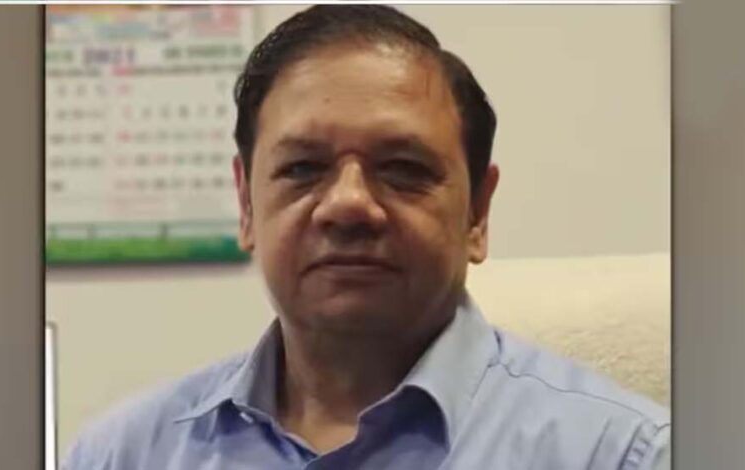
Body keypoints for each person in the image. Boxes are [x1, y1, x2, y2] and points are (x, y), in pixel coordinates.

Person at [63, 5, 669, 469]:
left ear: (477, 213)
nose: (348, 205)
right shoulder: (121, 455)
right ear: (247, 205)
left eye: (403, 169)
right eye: (303, 168)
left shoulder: (625, 455)